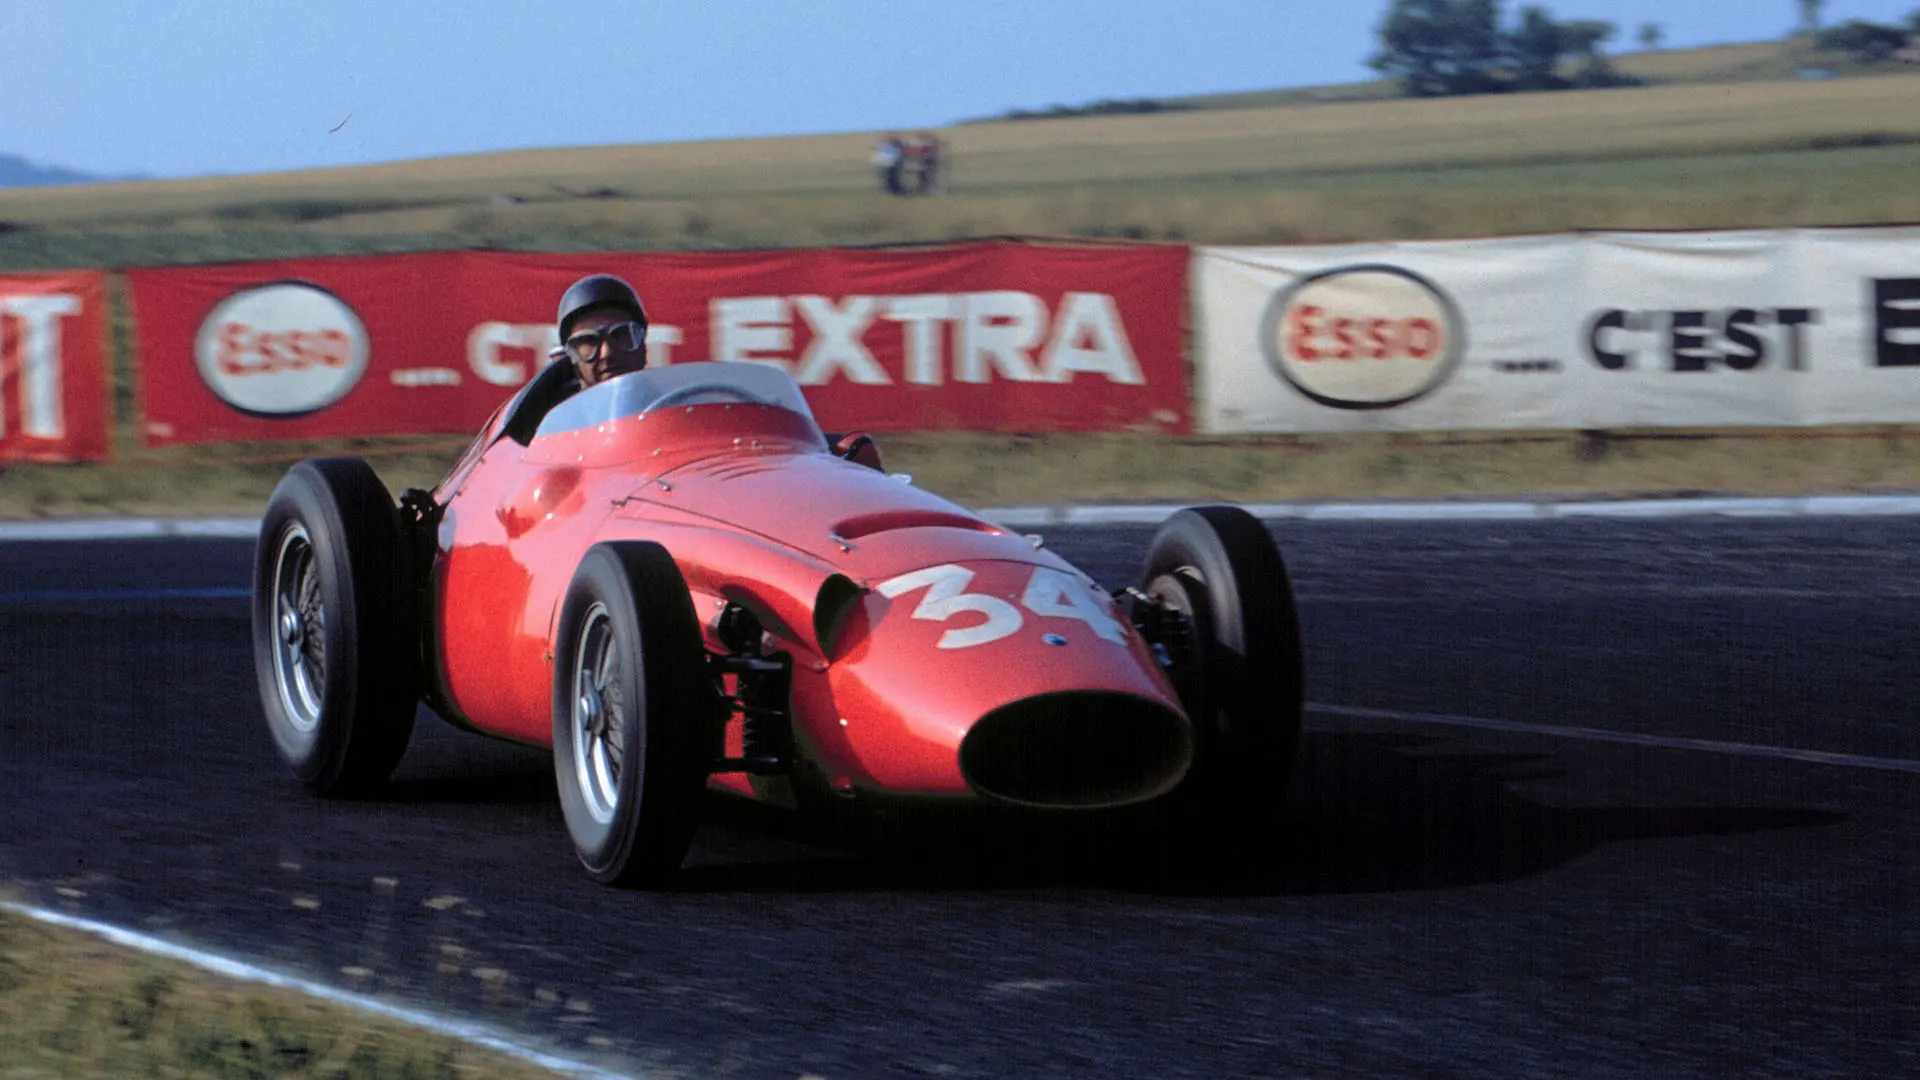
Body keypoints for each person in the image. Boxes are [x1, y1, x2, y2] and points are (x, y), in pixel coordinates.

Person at [552, 273, 649, 389]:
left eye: (621, 334)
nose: (607, 353)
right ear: (571, 358)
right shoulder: (550, 401)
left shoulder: (666, 397)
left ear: (643, 346)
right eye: (589, 341)